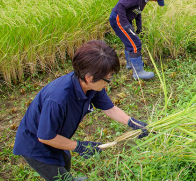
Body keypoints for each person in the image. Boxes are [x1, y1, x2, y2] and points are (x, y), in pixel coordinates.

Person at [13, 40, 149, 181]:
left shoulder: (92, 86)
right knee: (59, 177)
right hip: (36, 147)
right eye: (108, 79)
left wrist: (132, 123)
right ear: (89, 78)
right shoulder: (58, 99)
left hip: (59, 135)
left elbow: (110, 109)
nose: (109, 82)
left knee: (65, 161)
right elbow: (45, 136)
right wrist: (80, 146)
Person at [109, 0, 168, 80]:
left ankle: (130, 65)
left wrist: (138, 24)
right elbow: (121, 5)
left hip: (125, 20)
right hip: (118, 19)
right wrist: (125, 24)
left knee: (130, 42)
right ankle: (138, 72)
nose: (156, 1)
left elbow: (137, 10)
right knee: (135, 44)